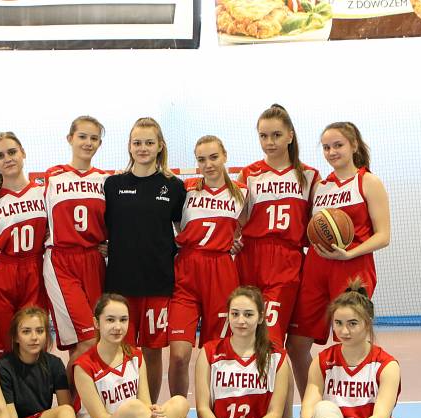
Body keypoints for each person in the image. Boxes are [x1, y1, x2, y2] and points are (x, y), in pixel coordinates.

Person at [279, 280, 415, 418]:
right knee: (324, 408)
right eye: (338, 323)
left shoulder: (387, 365)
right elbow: (309, 407)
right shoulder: (323, 361)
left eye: (353, 323)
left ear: (367, 323)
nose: (344, 331)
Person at [286, 122, 391, 400]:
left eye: (338, 145)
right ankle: (315, 407)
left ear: (354, 145)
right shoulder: (321, 186)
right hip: (315, 269)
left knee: (352, 343)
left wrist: (351, 253)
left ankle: (354, 408)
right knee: (296, 345)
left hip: (353, 269)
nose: (332, 152)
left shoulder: (368, 182)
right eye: (326, 147)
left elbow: (383, 236)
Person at [72, 293, 213, 418]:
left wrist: (155, 413)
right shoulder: (83, 366)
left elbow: (146, 404)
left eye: (123, 320)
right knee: (138, 411)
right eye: (110, 320)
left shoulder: (135, 356)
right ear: (96, 323)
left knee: (180, 404)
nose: (117, 326)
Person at [177, 286, 304, 418]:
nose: (241, 320)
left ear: (261, 317)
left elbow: (275, 413)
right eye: (235, 314)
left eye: (248, 314)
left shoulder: (276, 356)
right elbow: (203, 409)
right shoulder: (209, 352)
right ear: (227, 316)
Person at [104, 117, 186, 402]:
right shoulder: (113, 185)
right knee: (121, 351)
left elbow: (184, 229)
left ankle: (149, 409)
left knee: (152, 352)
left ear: (160, 146)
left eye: (149, 143)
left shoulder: (173, 187)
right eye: (137, 143)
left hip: (158, 284)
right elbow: (100, 226)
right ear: (129, 146)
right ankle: (123, 409)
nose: (143, 148)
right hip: (120, 285)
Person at [167, 135, 246, 397]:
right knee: (179, 354)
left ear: (225, 156)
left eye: (213, 157)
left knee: (217, 352)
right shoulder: (187, 188)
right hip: (187, 269)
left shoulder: (242, 193)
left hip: (221, 271)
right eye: (201, 159)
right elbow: (172, 220)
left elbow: (246, 229)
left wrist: (237, 241)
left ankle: (214, 409)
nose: (208, 164)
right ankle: (177, 410)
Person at [235, 104, 318, 350]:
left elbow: (319, 223)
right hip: (249, 258)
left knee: (271, 338)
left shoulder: (309, 176)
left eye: (276, 135)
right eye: (263, 136)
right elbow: (237, 220)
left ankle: (277, 378)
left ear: (290, 135)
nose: (269, 142)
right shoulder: (249, 174)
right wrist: (231, 239)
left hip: (287, 260)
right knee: (246, 335)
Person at [42, 116, 109, 370]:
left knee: (94, 339)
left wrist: (110, 244)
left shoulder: (104, 180)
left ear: (99, 143)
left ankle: (83, 394)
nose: (88, 142)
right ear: (70, 138)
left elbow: (116, 221)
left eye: (94, 138)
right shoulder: (52, 177)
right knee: (87, 340)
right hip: (62, 261)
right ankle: (66, 394)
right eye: (82, 136)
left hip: (94, 260)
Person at [0, 132, 48, 359]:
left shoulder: (44, 193)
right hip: (1, 272)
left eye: (12, 152)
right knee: (2, 341)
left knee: (34, 337)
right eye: (0, 156)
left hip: (35, 269)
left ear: (23, 153)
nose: (7, 159)